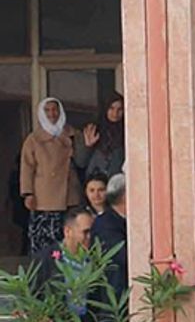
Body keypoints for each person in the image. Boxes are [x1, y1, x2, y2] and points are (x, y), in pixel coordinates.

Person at [21, 98, 81, 255]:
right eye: (47, 110)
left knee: (69, 238)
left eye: (55, 109)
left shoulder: (73, 134)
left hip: (69, 195)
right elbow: (27, 168)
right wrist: (28, 193)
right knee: (44, 241)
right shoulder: (34, 139)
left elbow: (82, 160)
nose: (52, 114)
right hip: (44, 197)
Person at [90, 173, 128, 297]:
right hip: (114, 294)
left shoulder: (121, 219)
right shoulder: (105, 225)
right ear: (125, 196)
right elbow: (122, 256)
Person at [75, 92, 125, 179]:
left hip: (118, 182)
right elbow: (80, 163)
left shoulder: (127, 131)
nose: (115, 113)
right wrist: (87, 147)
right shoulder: (93, 129)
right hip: (94, 181)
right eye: (111, 108)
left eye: (120, 109)